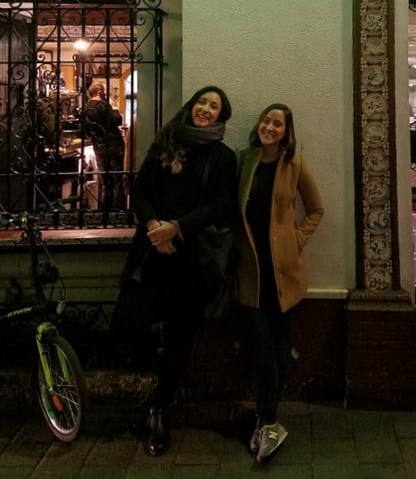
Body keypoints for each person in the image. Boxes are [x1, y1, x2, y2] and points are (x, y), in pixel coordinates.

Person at [113, 86, 237, 457]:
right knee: (127, 325)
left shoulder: (222, 157)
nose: (205, 109)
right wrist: (154, 226)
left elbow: (221, 205)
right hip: (152, 253)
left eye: (214, 106)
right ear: (191, 105)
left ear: (221, 116)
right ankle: (156, 379)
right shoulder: (167, 142)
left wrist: (178, 227)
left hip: (191, 260)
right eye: (202, 102)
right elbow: (140, 188)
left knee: (181, 337)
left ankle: (158, 409)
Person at [237, 103, 324, 464]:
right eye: (266, 121)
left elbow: (316, 209)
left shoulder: (295, 165)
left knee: (278, 342)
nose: (269, 128)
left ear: (286, 132)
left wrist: (296, 240)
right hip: (249, 269)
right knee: (259, 341)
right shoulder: (244, 161)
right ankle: (267, 418)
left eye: (277, 124)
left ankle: (268, 419)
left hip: (284, 272)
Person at [83, 81, 126, 210]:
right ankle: (116, 211)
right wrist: (112, 106)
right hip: (113, 145)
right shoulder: (104, 105)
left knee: (104, 181)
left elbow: (85, 130)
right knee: (117, 179)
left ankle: (103, 211)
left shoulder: (86, 108)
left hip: (99, 146)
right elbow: (118, 120)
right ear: (101, 92)